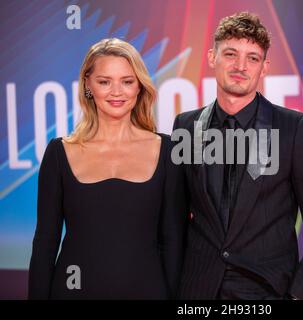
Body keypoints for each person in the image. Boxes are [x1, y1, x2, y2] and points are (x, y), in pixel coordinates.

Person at [173, 12, 303, 300]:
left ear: (264, 67)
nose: (241, 66)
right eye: (231, 54)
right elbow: (173, 220)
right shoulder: (185, 126)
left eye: (252, 58)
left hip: (265, 292)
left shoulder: (293, 129)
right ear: (212, 57)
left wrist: (298, 296)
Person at [28, 38, 186, 299]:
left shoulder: (168, 150)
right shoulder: (59, 152)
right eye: (104, 81)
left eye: (127, 81)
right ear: (88, 85)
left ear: (139, 87)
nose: (117, 92)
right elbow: (45, 242)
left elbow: (173, 241)